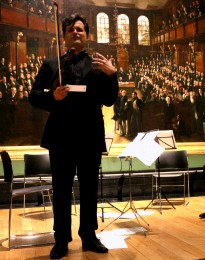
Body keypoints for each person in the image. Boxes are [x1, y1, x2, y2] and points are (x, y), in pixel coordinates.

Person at [28, 13, 119, 259]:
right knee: (61, 190)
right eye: (71, 30)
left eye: (80, 29)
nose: (75, 33)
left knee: (90, 189)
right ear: (64, 35)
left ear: (87, 35)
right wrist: (52, 97)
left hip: (90, 136)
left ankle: (89, 236)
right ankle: (61, 239)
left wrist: (113, 75)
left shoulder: (100, 66)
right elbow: (33, 95)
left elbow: (110, 100)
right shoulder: (51, 64)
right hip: (61, 136)